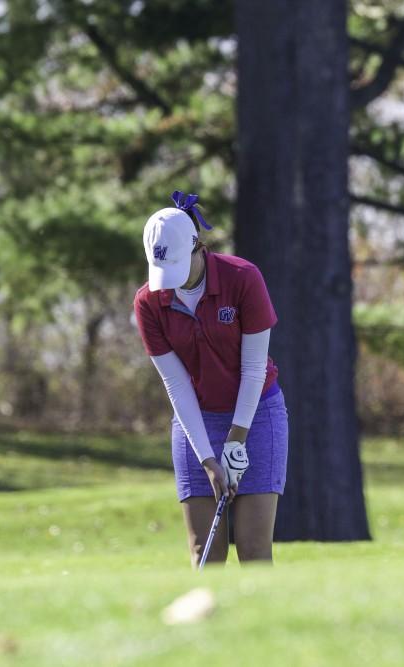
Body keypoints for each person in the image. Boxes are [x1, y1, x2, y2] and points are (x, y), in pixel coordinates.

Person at [134, 191, 288, 568]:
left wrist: (236, 440)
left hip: (258, 414)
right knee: (204, 550)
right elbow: (176, 384)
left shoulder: (243, 279)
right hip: (195, 421)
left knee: (253, 551)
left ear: (197, 246)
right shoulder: (149, 302)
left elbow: (254, 369)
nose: (169, 282)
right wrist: (207, 459)